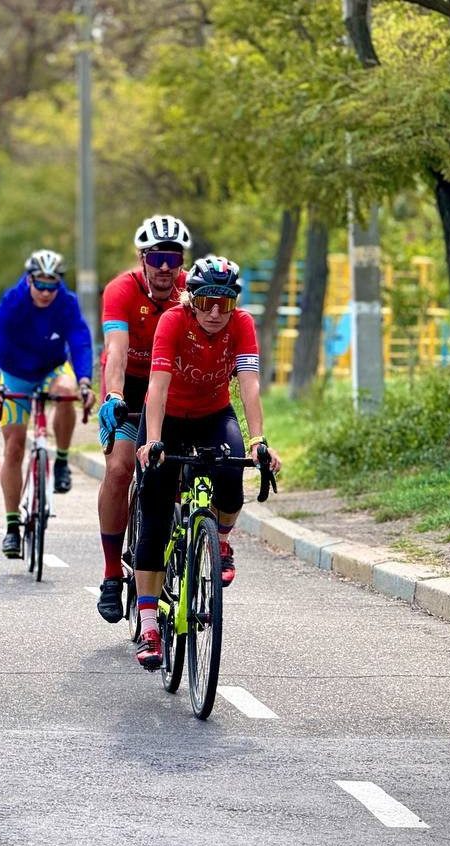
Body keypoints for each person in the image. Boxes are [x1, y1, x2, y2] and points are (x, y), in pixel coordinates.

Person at [131, 256, 281, 669]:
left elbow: (249, 385)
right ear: (192, 299)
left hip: (214, 414)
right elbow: (157, 387)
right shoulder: (173, 322)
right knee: (157, 514)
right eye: (208, 302)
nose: (216, 313)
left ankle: (221, 541)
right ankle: (147, 626)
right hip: (168, 416)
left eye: (226, 304)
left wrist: (258, 440)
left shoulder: (243, 325)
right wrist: (154, 441)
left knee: (233, 474)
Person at [93, 214, 192, 623]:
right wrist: (114, 395)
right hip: (129, 387)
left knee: (180, 468)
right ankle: (112, 573)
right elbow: (116, 350)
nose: (166, 267)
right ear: (142, 259)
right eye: (157, 257)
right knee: (119, 469)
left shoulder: (192, 291)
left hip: (171, 390)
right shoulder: (120, 290)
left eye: (173, 257)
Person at [0, 249, 95, 558]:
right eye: (41, 285)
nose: (47, 292)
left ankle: (61, 461)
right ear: (29, 279)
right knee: (14, 446)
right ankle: (12, 526)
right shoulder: (14, 300)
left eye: (53, 285)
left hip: (51, 369)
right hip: (16, 373)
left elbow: (80, 339)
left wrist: (85, 380)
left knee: (67, 390)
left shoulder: (67, 301)